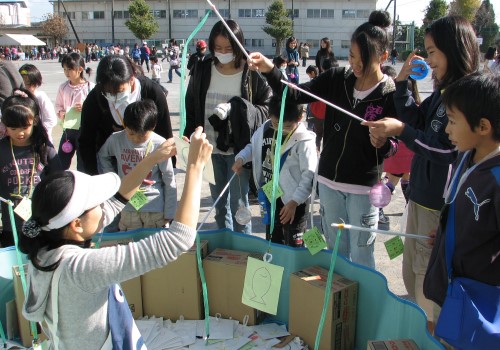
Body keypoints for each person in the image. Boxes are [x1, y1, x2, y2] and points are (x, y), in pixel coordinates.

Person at [20, 127, 212, 348]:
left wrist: (153, 158)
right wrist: (195, 167)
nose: (104, 204)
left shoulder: (44, 249)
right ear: (76, 224)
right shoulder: (81, 269)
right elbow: (177, 240)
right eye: (96, 203)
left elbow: (116, 200)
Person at [249, 10, 398, 268]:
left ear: (383, 57)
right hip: (329, 183)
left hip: (364, 189)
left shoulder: (390, 93)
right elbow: (292, 94)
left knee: (363, 256)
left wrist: (384, 143)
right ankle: (337, 304)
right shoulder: (336, 79)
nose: (356, 65)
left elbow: (395, 145)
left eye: (364, 60)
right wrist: (270, 70)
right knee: (335, 253)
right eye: (352, 57)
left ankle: (363, 306)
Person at [363, 15, 480, 330]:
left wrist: (400, 130)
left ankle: (431, 336)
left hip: (438, 205)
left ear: (452, 49)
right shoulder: (443, 94)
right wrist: (401, 84)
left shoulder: (466, 96)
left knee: (427, 283)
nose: (429, 61)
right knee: (411, 273)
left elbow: (445, 151)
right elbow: (417, 122)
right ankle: (422, 332)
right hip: (420, 197)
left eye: (432, 52)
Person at [424, 74, 500, 340]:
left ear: (483, 126)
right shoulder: (466, 156)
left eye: (453, 122)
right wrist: (446, 236)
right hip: (448, 288)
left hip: (477, 301)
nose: (447, 130)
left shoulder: (497, 179)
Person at [184, 19, 272, 235]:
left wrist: (240, 109)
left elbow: (268, 107)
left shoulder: (251, 72)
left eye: (228, 48)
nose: (223, 53)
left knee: (240, 207)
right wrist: (189, 134)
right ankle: (225, 248)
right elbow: (191, 102)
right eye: (218, 48)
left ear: (239, 46)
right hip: (209, 149)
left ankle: (243, 249)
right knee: (219, 205)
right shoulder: (203, 68)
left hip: (239, 151)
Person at [232, 95, 317, 247]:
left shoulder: (305, 141)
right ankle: (275, 266)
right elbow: (253, 146)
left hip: (294, 200)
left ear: (300, 117)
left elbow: (309, 175)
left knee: (295, 242)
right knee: (273, 239)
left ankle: (296, 268)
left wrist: (294, 202)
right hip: (271, 192)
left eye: (287, 126)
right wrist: (241, 158)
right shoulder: (265, 128)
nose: (280, 129)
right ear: (270, 115)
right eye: (276, 123)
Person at [79, 55, 173, 175]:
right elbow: (86, 140)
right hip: (109, 163)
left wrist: (166, 173)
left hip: (148, 160)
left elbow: (166, 137)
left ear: (132, 79)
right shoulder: (96, 97)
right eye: (108, 93)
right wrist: (94, 177)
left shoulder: (152, 92)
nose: (114, 97)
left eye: (119, 92)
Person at [98, 100, 176, 230]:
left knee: (153, 245)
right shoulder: (116, 139)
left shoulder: (160, 144)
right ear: (124, 124)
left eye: (142, 136)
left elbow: (169, 179)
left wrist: (169, 212)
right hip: (127, 208)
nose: (136, 139)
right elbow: (103, 155)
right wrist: (113, 177)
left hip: (154, 208)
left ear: (153, 127)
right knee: (128, 243)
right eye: (131, 133)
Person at [0, 89, 62, 247]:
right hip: (10, 222)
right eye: (13, 129)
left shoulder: (44, 148)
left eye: (24, 127)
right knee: (15, 262)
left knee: (38, 258)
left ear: (34, 121)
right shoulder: (2, 148)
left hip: (41, 219)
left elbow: (58, 179)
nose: (20, 133)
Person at [55, 52, 94, 171]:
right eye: (64, 69)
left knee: (83, 162)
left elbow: (96, 109)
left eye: (70, 69)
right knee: (61, 161)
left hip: (84, 130)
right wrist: (63, 113)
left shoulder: (90, 87)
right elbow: (58, 106)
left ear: (80, 69)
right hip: (68, 131)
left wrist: (85, 107)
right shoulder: (63, 87)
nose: (67, 72)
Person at [18, 64, 58, 143]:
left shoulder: (41, 97)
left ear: (36, 82)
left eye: (29, 84)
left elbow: (51, 120)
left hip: (41, 140)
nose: (26, 87)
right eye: (23, 84)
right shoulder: (17, 98)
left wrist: (36, 131)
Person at [305, 65, 325, 152]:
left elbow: (309, 100)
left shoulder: (313, 83)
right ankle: (323, 151)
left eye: (309, 74)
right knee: (323, 134)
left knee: (317, 134)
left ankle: (317, 150)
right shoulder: (326, 81)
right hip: (324, 113)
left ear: (313, 73)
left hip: (316, 112)